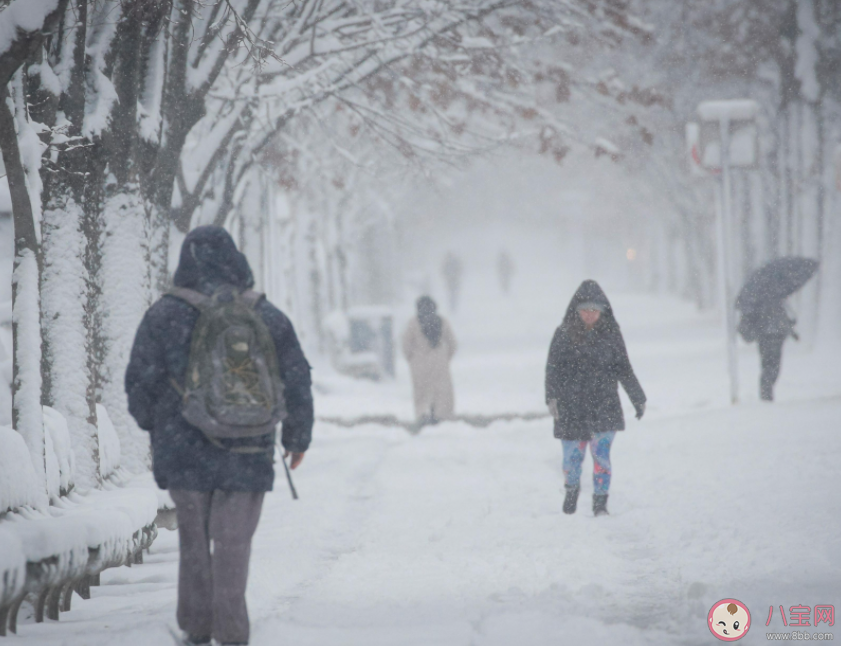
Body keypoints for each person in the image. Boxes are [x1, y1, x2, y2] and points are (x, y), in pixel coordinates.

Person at [125, 226, 313, 646]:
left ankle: (196, 629)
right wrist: (296, 438)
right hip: (248, 447)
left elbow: (139, 382)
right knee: (233, 544)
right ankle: (232, 632)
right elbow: (297, 376)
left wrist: (158, 427)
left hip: (183, 449)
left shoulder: (164, 315)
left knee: (194, 542)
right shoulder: (264, 314)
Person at [544, 280, 645, 516]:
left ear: (602, 311)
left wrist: (637, 397)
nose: (590, 315)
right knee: (572, 458)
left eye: (594, 311)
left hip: (604, 406)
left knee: (602, 458)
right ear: (576, 311)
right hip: (571, 408)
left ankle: (600, 502)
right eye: (585, 310)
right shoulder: (562, 335)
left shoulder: (611, 335)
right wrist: (552, 398)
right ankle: (572, 488)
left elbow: (624, 368)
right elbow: (552, 369)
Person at [402, 296, 457, 426]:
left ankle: (423, 414)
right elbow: (452, 343)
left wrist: (411, 359)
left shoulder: (413, 323)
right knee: (441, 392)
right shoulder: (442, 322)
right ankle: (440, 416)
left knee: (422, 392)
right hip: (439, 363)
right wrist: (445, 357)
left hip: (419, 364)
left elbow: (406, 345)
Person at [738, 299, 796, 401]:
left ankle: (766, 388)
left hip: (766, 334)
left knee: (768, 363)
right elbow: (790, 316)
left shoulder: (759, 297)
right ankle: (767, 389)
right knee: (773, 364)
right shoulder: (777, 295)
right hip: (773, 334)